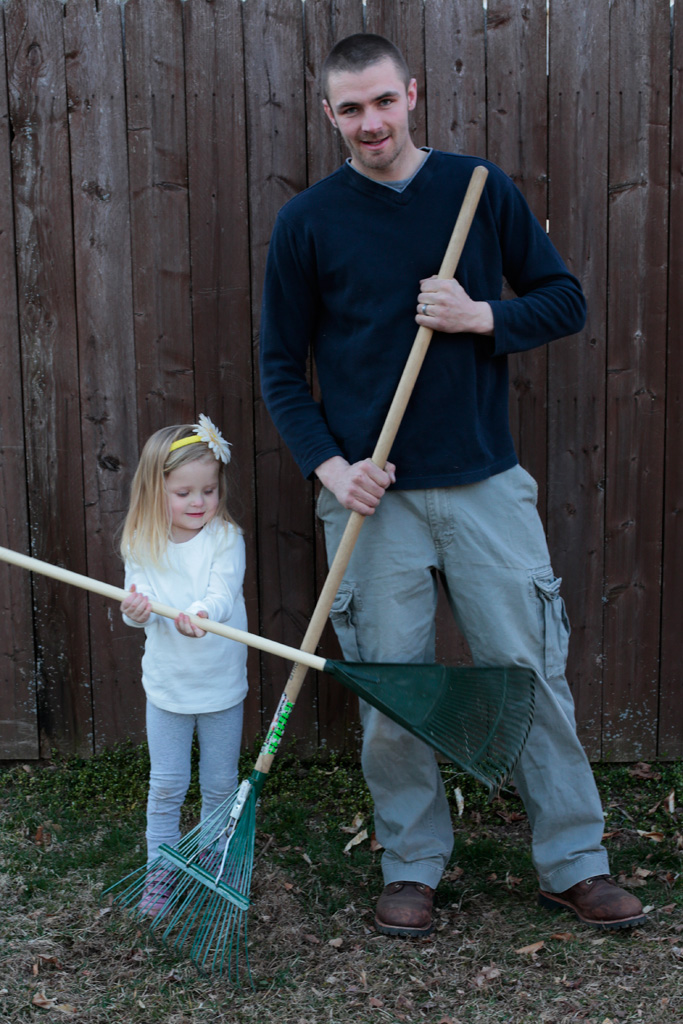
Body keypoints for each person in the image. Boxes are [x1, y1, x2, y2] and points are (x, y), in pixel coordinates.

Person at [259, 33, 646, 936]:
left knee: (528, 673)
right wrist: (332, 469)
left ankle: (574, 864)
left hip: (483, 483)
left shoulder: (478, 189)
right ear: (328, 114)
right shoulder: (307, 221)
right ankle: (411, 866)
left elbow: (563, 299)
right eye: (350, 109)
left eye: (382, 101)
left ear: (412, 93)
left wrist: (480, 315)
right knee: (394, 693)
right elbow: (280, 367)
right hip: (370, 497)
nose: (370, 123)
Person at [120, 414, 248, 914]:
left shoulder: (225, 537)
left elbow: (222, 593)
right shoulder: (141, 542)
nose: (199, 502)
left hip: (220, 687)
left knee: (219, 783)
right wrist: (135, 611)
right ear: (156, 491)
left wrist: (201, 614)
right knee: (167, 784)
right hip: (168, 689)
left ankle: (214, 858)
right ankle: (161, 868)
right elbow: (139, 601)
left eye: (209, 490)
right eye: (184, 492)